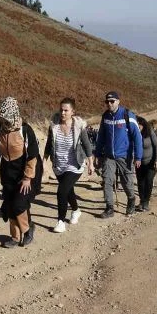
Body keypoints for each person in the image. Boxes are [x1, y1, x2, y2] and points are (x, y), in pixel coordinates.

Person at [0, 97, 43, 248]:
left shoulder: (25, 130)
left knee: (19, 203)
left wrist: (27, 177)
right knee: (9, 204)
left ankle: (27, 229)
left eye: (5, 117)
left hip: (25, 170)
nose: (3, 120)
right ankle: (14, 236)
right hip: (8, 170)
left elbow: (32, 156)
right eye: (1, 116)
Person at [44, 98, 94, 233]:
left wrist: (90, 163)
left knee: (61, 191)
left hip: (74, 165)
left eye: (66, 110)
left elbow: (87, 145)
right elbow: (49, 143)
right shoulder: (54, 125)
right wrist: (44, 159)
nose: (63, 112)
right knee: (68, 190)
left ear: (73, 112)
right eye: (61, 109)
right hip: (59, 165)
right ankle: (76, 210)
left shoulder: (78, 126)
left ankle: (60, 221)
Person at [93, 91, 143, 218]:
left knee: (126, 182)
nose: (109, 104)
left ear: (118, 102)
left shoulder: (127, 115)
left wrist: (138, 156)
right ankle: (109, 208)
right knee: (107, 181)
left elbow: (137, 136)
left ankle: (131, 200)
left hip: (124, 156)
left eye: (112, 101)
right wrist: (97, 154)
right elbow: (101, 137)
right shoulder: (105, 116)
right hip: (109, 156)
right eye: (107, 102)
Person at [135, 116, 157, 212]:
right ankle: (142, 201)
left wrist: (156, 160)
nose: (137, 126)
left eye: (138, 124)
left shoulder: (150, 133)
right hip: (139, 162)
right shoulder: (134, 134)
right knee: (140, 182)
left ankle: (146, 202)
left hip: (151, 162)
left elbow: (156, 146)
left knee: (148, 181)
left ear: (142, 124)